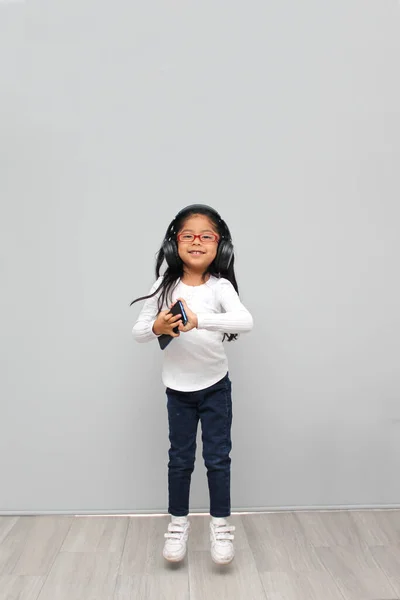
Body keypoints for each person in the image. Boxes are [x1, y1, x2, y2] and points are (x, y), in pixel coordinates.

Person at [130, 204, 253, 565]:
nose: (196, 242)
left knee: (218, 459)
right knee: (180, 460)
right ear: (174, 243)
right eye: (187, 235)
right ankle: (178, 523)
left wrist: (200, 320)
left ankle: (220, 525)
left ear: (220, 246)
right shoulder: (163, 286)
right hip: (178, 391)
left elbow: (245, 321)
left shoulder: (220, 287)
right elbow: (138, 332)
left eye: (206, 236)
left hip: (215, 388)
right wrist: (158, 327)